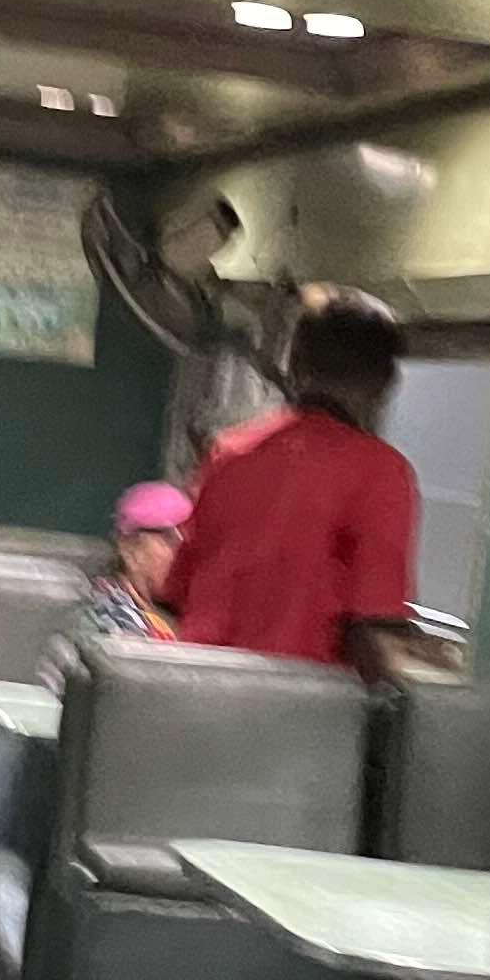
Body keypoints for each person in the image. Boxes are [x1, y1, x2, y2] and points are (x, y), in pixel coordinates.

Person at [162, 294, 421, 680]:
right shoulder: (381, 472)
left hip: (195, 685)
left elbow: (177, 593)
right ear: (385, 383)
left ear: (295, 365)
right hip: (293, 701)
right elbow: (372, 630)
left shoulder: (229, 453)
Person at [41, 479, 191, 690]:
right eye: (169, 539)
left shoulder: (198, 619)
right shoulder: (101, 623)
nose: (184, 554)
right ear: (129, 547)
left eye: (192, 542)